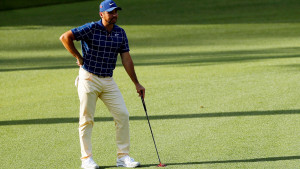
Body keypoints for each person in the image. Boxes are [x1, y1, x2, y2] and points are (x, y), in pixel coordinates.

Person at [59, 0, 145, 168]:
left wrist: (137, 83)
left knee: (122, 115)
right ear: (101, 14)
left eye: (116, 12)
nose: (115, 15)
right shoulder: (91, 28)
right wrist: (78, 56)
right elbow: (65, 37)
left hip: (108, 80)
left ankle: (123, 157)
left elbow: (126, 58)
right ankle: (86, 160)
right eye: (111, 12)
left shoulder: (120, 33)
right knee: (86, 119)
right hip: (89, 78)